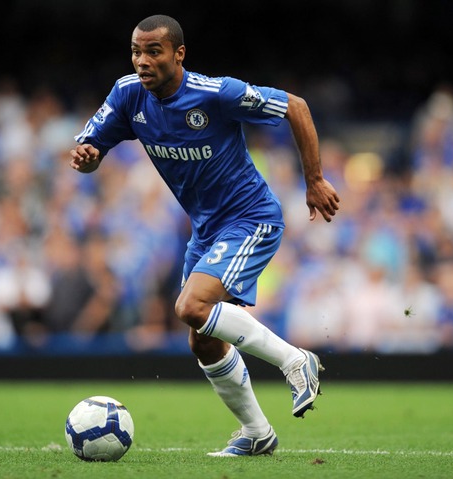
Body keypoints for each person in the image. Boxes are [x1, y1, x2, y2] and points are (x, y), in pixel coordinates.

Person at [69, 14, 340, 457]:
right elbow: (92, 148)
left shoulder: (217, 94)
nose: (142, 60)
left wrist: (314, 180)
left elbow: (296, 106)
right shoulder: (126, 95)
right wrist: (88, 157)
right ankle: (257, 433)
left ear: (179, 54)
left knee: (191, 306)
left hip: (251, 218)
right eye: (136, 51)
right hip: (207, 230)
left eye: (153, 51)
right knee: (202, 337)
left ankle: (296, 361)